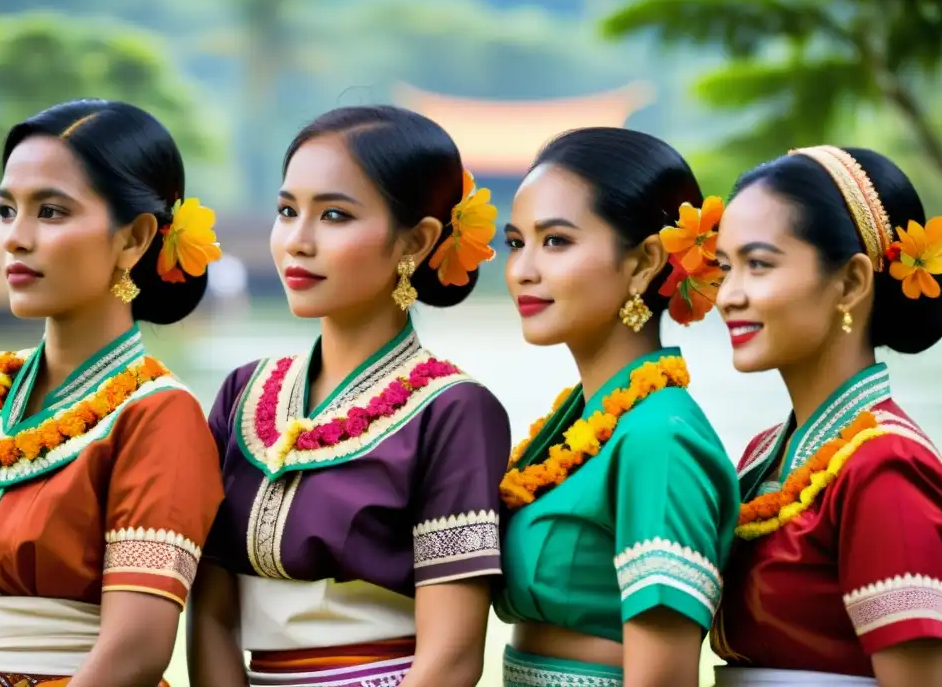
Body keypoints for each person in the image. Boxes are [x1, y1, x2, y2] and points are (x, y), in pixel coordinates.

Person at [187, 105, 512, 687]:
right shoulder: (242, 392)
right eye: (287, 211)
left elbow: (454, 657)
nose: (297, 241)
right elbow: (210, 615)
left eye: (334, 215)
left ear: (416, 240)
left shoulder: (454, 411)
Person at [0, 99, 226, 687]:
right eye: (6, 211)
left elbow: (136, 648)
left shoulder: (160, 415)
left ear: (134, 238)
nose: (15, 238)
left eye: (51, 212)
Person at [494, 127, 741, 687]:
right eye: (516, 242)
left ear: (642, 262)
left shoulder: (660, 438)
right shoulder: (579, 423)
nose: (522, 270)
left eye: (555, 241)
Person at [710, 145, 942, 686]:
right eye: (725, 268)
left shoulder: (885, 466)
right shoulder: (766, 454)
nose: (727, 295)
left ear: (852, 282)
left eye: (759, 265)